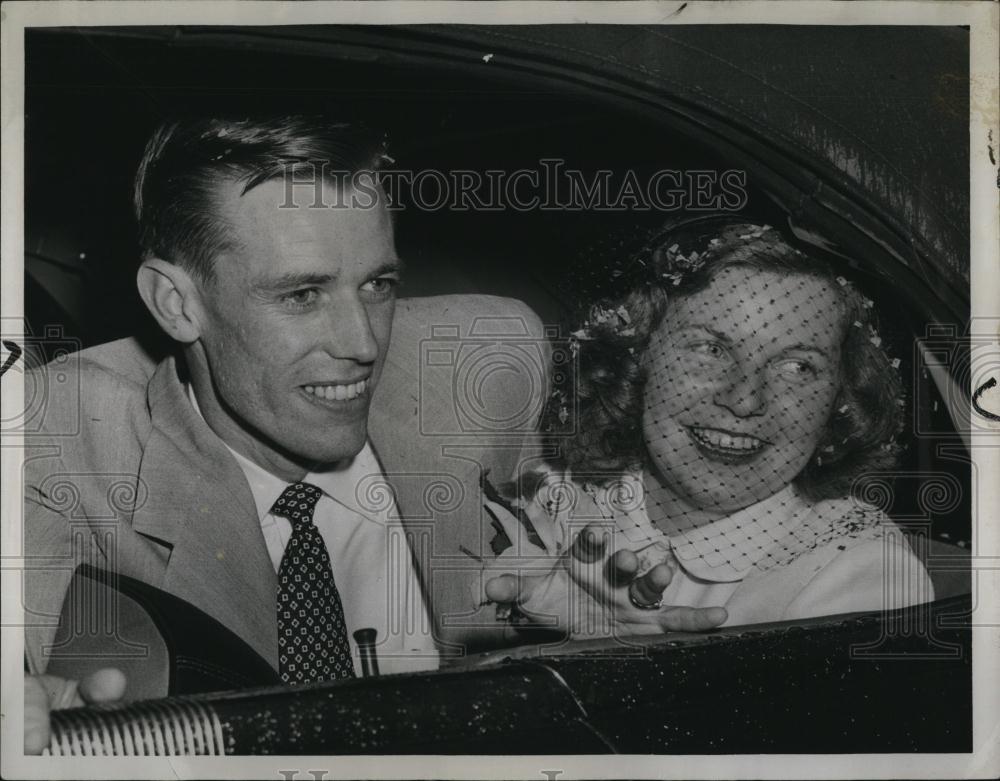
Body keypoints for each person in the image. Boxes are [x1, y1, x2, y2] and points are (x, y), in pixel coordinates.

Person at [22, 116, 724, 753]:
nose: (362, 344)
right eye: (301, 295)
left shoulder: (489, 361)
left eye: (378, 284)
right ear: (177, 303)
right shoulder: (60, 436)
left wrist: (601, 654)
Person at [481, 215, 934, 637]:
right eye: (710, 349)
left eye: (797, 367)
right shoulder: (549, 491)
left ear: (840, 397)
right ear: (637, 360)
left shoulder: (864, 577)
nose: (744, 399)